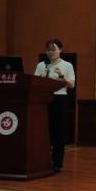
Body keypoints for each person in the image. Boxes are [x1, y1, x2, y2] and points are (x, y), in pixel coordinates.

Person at [34, 39, 75, 173]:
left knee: (59, 131)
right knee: (44, 130)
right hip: (44, 99)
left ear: (60, 50)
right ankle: (42, 160)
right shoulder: (41, 65)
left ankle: (57, 163)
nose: (50, 52)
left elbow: (72, 84)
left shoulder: (67, 65)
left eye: (53, 50)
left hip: (60, 99)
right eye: (48, 50)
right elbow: (34, 83)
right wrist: (41, 78)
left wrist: (61, 75)